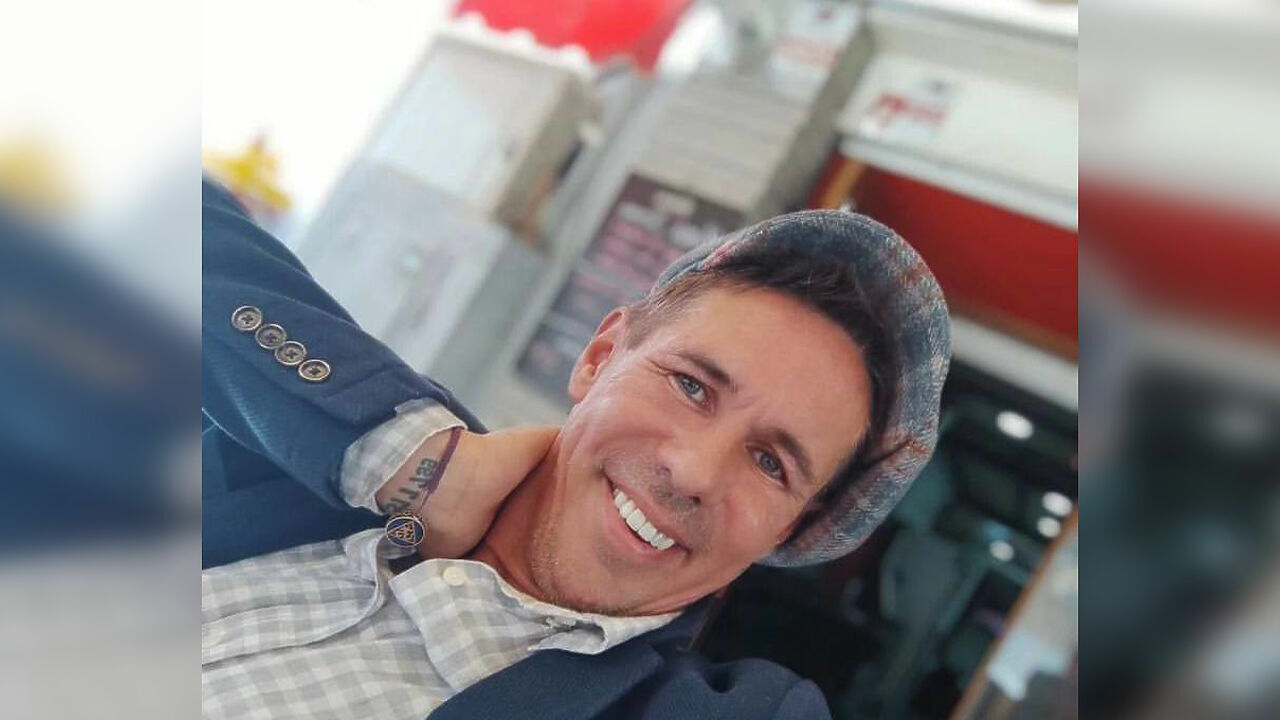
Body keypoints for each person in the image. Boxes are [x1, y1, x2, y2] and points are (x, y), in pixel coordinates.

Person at [201, 178, 950, 719]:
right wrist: (400, 453)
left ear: (790, 529)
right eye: (691, 385)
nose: (692, 469)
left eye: (770, 463)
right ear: (598, 358)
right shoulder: (295, 470)